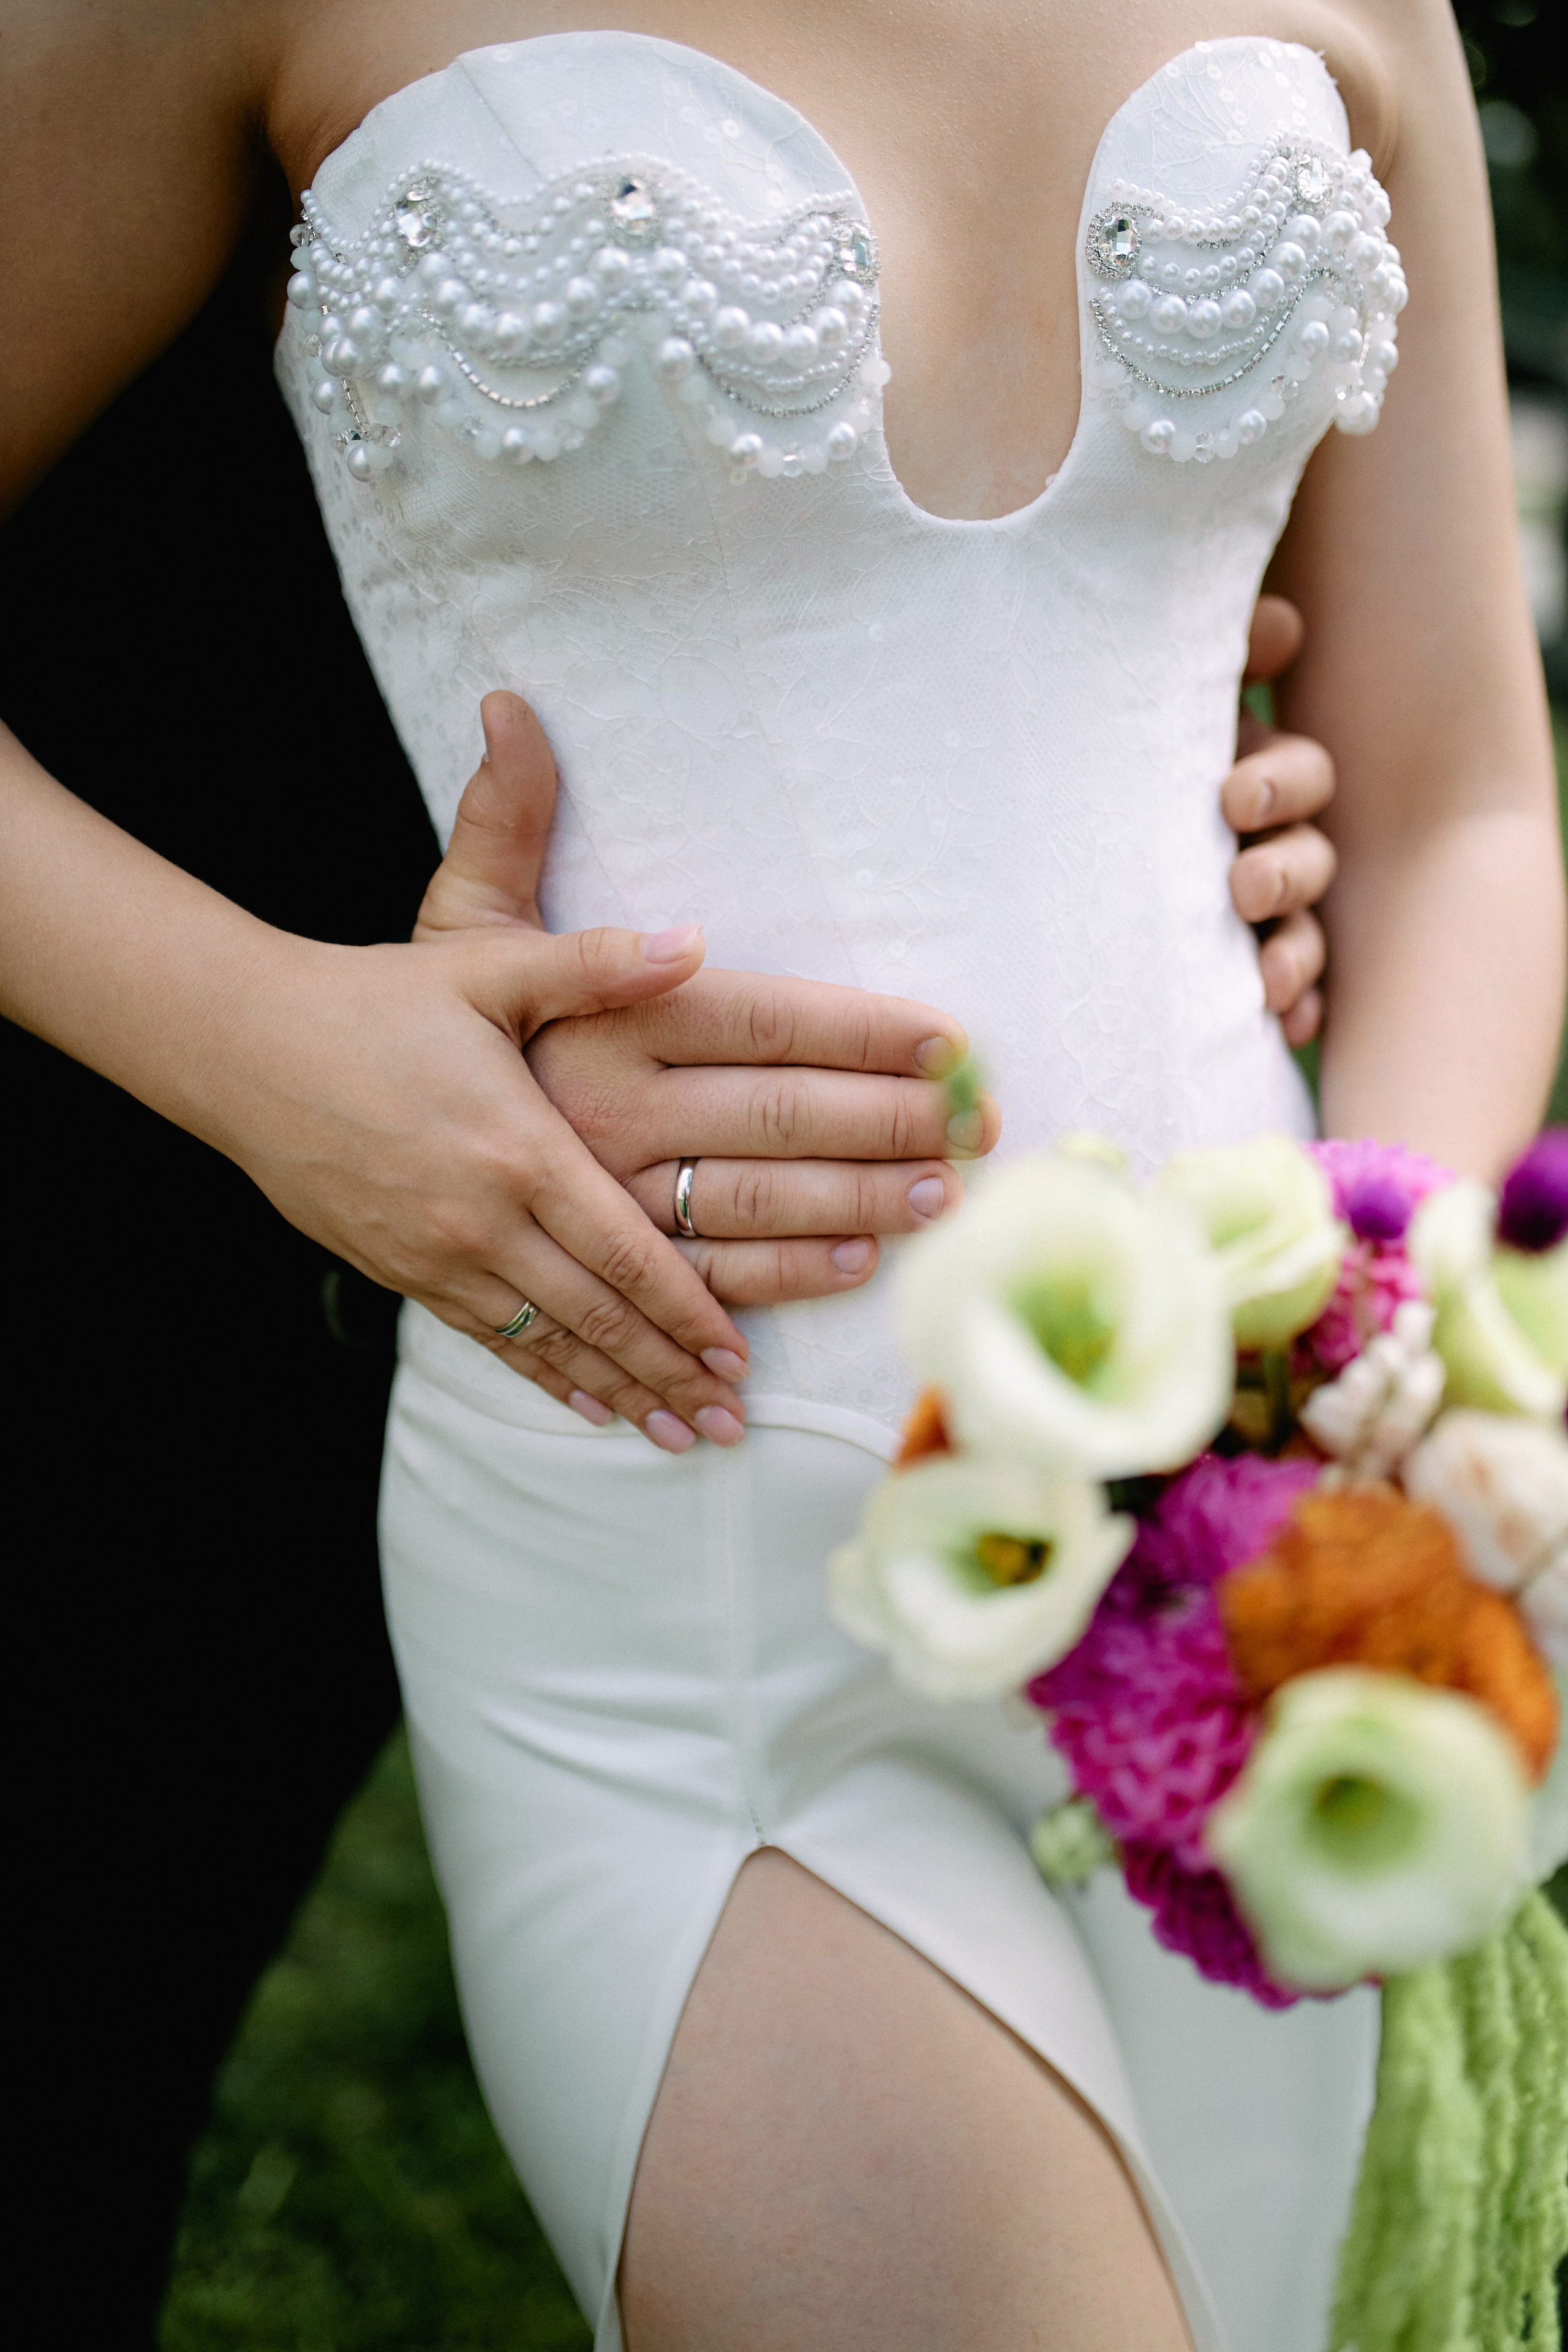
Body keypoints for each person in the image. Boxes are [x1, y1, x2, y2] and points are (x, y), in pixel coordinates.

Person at [2, 7, 1560, 2352]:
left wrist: (1372, 1348)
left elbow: (1459, 797)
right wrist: (272, 1053)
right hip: (684, 1544)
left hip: (1252, 1573)